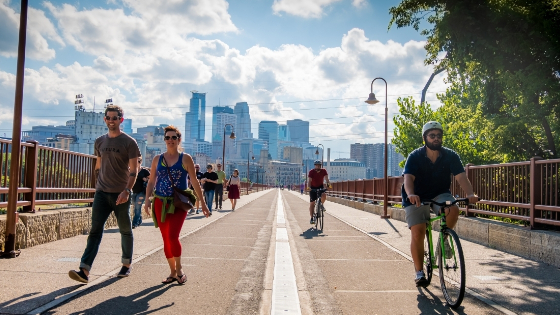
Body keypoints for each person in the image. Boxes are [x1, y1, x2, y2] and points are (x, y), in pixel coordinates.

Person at [69, 105, 140, 284]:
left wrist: (127, 190)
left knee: (125, 230)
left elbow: (134, 169)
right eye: (108, 117)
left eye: (115, 118)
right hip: (101, 192)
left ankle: (126, 264)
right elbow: (98, 166)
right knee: (94, 231)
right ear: (105, 119)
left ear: (120, 120)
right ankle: (84, 270)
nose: (111, 121)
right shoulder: (100, 141)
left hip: (120, 193)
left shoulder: (129, 142)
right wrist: (96, 186)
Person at [402, 121, 478, 288]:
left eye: (439, 135)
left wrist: (470, 194)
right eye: (432, 135)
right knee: (418, 232)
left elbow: (461, 177)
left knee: (452, 209)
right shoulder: (415, 156)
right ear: (425, 138)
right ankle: (419, 272)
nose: (436, 138)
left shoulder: (451, 155)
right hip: (417, 195)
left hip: (440, 193)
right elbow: (408, 179)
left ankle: (444, 238)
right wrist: (411, 194)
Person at [144, 125, 209, 285]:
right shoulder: (157, 159)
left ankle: (179, 269)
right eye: (167, 137)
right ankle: (172, 272)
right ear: (164, 140)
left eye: (174, 137)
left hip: (179, 203)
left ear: (179, 140)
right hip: (160, 201)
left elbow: (194, 181)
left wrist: (204, 204)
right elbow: (152, 180)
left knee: (173, 236)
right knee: (166, 238)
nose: (170, 140)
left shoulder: (185, 158)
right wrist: (147, 199)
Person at [307, 160, 330, 225]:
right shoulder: (311, 172)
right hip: (313, 188)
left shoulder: (323, 171)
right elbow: (309, 181)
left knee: (324, 195)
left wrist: (329, 185)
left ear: (320, 166)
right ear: (315, 166)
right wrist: (309, 187)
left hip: (320, 187)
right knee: (312, 203)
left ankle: (321, 204)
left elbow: (327, 179)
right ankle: (312, 218)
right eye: (316, 165)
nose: (317, 166)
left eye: (319, 165)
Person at [131, 156, 150, 228]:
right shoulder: (131, 170)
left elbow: (152, 180)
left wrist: (146, 180)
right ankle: (139, 219)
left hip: (141, 191)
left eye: (138, 161)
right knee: (135, 206)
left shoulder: (144, 171)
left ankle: (134, 223)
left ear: (141, 162)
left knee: (137, 207)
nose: (137, 162)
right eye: (135, 161)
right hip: (133, 191)